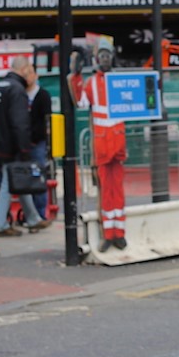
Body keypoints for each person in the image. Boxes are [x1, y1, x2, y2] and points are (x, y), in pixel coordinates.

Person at [78, 38, 128, 252]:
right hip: (102, 147)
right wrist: (76, 77)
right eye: (102, 56)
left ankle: (119, 232)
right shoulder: (92, 83)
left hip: (116, 146)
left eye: (108, 56)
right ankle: (109, 234)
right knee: (106, 191)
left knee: (118, 191)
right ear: (97, 59)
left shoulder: (120, 82)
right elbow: (81, 103)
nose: (106, 59)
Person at [0, 56, 44, 238]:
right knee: (8, 183)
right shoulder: (17, 90)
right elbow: (20, 123)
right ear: (24, 69)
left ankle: (34, 218)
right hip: (12, 146)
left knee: (17, 180)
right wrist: (25, 148)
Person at [26, 68, 53, 227]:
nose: (28, 77)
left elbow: (46, 121)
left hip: (38, 144)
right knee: (25, 180)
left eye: (30, 73)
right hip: (23, 145)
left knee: (39, 178)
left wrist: (39, 140)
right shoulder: (20, 95)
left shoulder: (43, 95)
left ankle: (41, 214)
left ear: (36, 75)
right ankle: (30, 215)